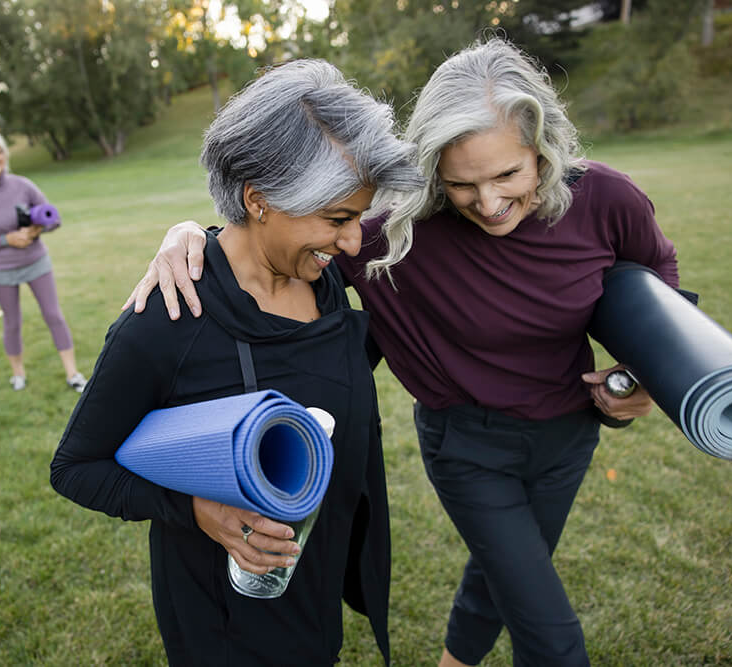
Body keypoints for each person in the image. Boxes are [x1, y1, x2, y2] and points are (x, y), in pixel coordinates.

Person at [124, 38, 680, 667]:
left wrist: (644, 375)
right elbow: (271, 230)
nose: (491, 203)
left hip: (570, 437)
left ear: (542, 148)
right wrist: (191, 234)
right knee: (552, 635)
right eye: (462, 184)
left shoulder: (605, 199)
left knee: (508, 575)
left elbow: (659, 275)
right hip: (469, 448)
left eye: (508, 174)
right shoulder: (391, 235)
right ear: (432, 172)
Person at [50, 59, 422, 665]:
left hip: (314, 595)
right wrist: (196, 509)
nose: (356, 241)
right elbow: (75, 467)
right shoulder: (168, 318)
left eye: (358, 216)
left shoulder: (332, 282)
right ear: (259, 199)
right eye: (337, 220)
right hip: (221, 625)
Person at [0, 131, 87, 393]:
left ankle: (73, 373)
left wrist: (37, 230)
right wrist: (7, 239)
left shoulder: (23, 185)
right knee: (12, 321)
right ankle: (18, 375)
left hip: (35, 261)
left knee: (53, 315)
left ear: (5, 154)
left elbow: (54, 219)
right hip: (0, 270)